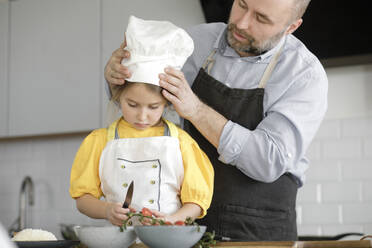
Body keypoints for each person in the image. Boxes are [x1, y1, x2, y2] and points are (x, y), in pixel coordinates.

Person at [104, 0, 328, 241]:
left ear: (291, 27)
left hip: (259, 232)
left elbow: (269, 160)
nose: (241, 23)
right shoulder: (193, 42)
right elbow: (143, 104)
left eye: (261, 18)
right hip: (185, 223)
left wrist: (197, 111)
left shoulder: (303, 74)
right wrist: (118, 79)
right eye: (242, 5)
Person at [69, 16, 214, 227]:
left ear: (166, 102)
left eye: (153, 107)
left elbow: (197, 202)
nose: (142, 116)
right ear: (118, 96)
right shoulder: (100, 141)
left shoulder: (181, 142)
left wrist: (172, 220)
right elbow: (82, 199)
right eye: (132, 104)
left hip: (168, 240)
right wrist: (106, 210)